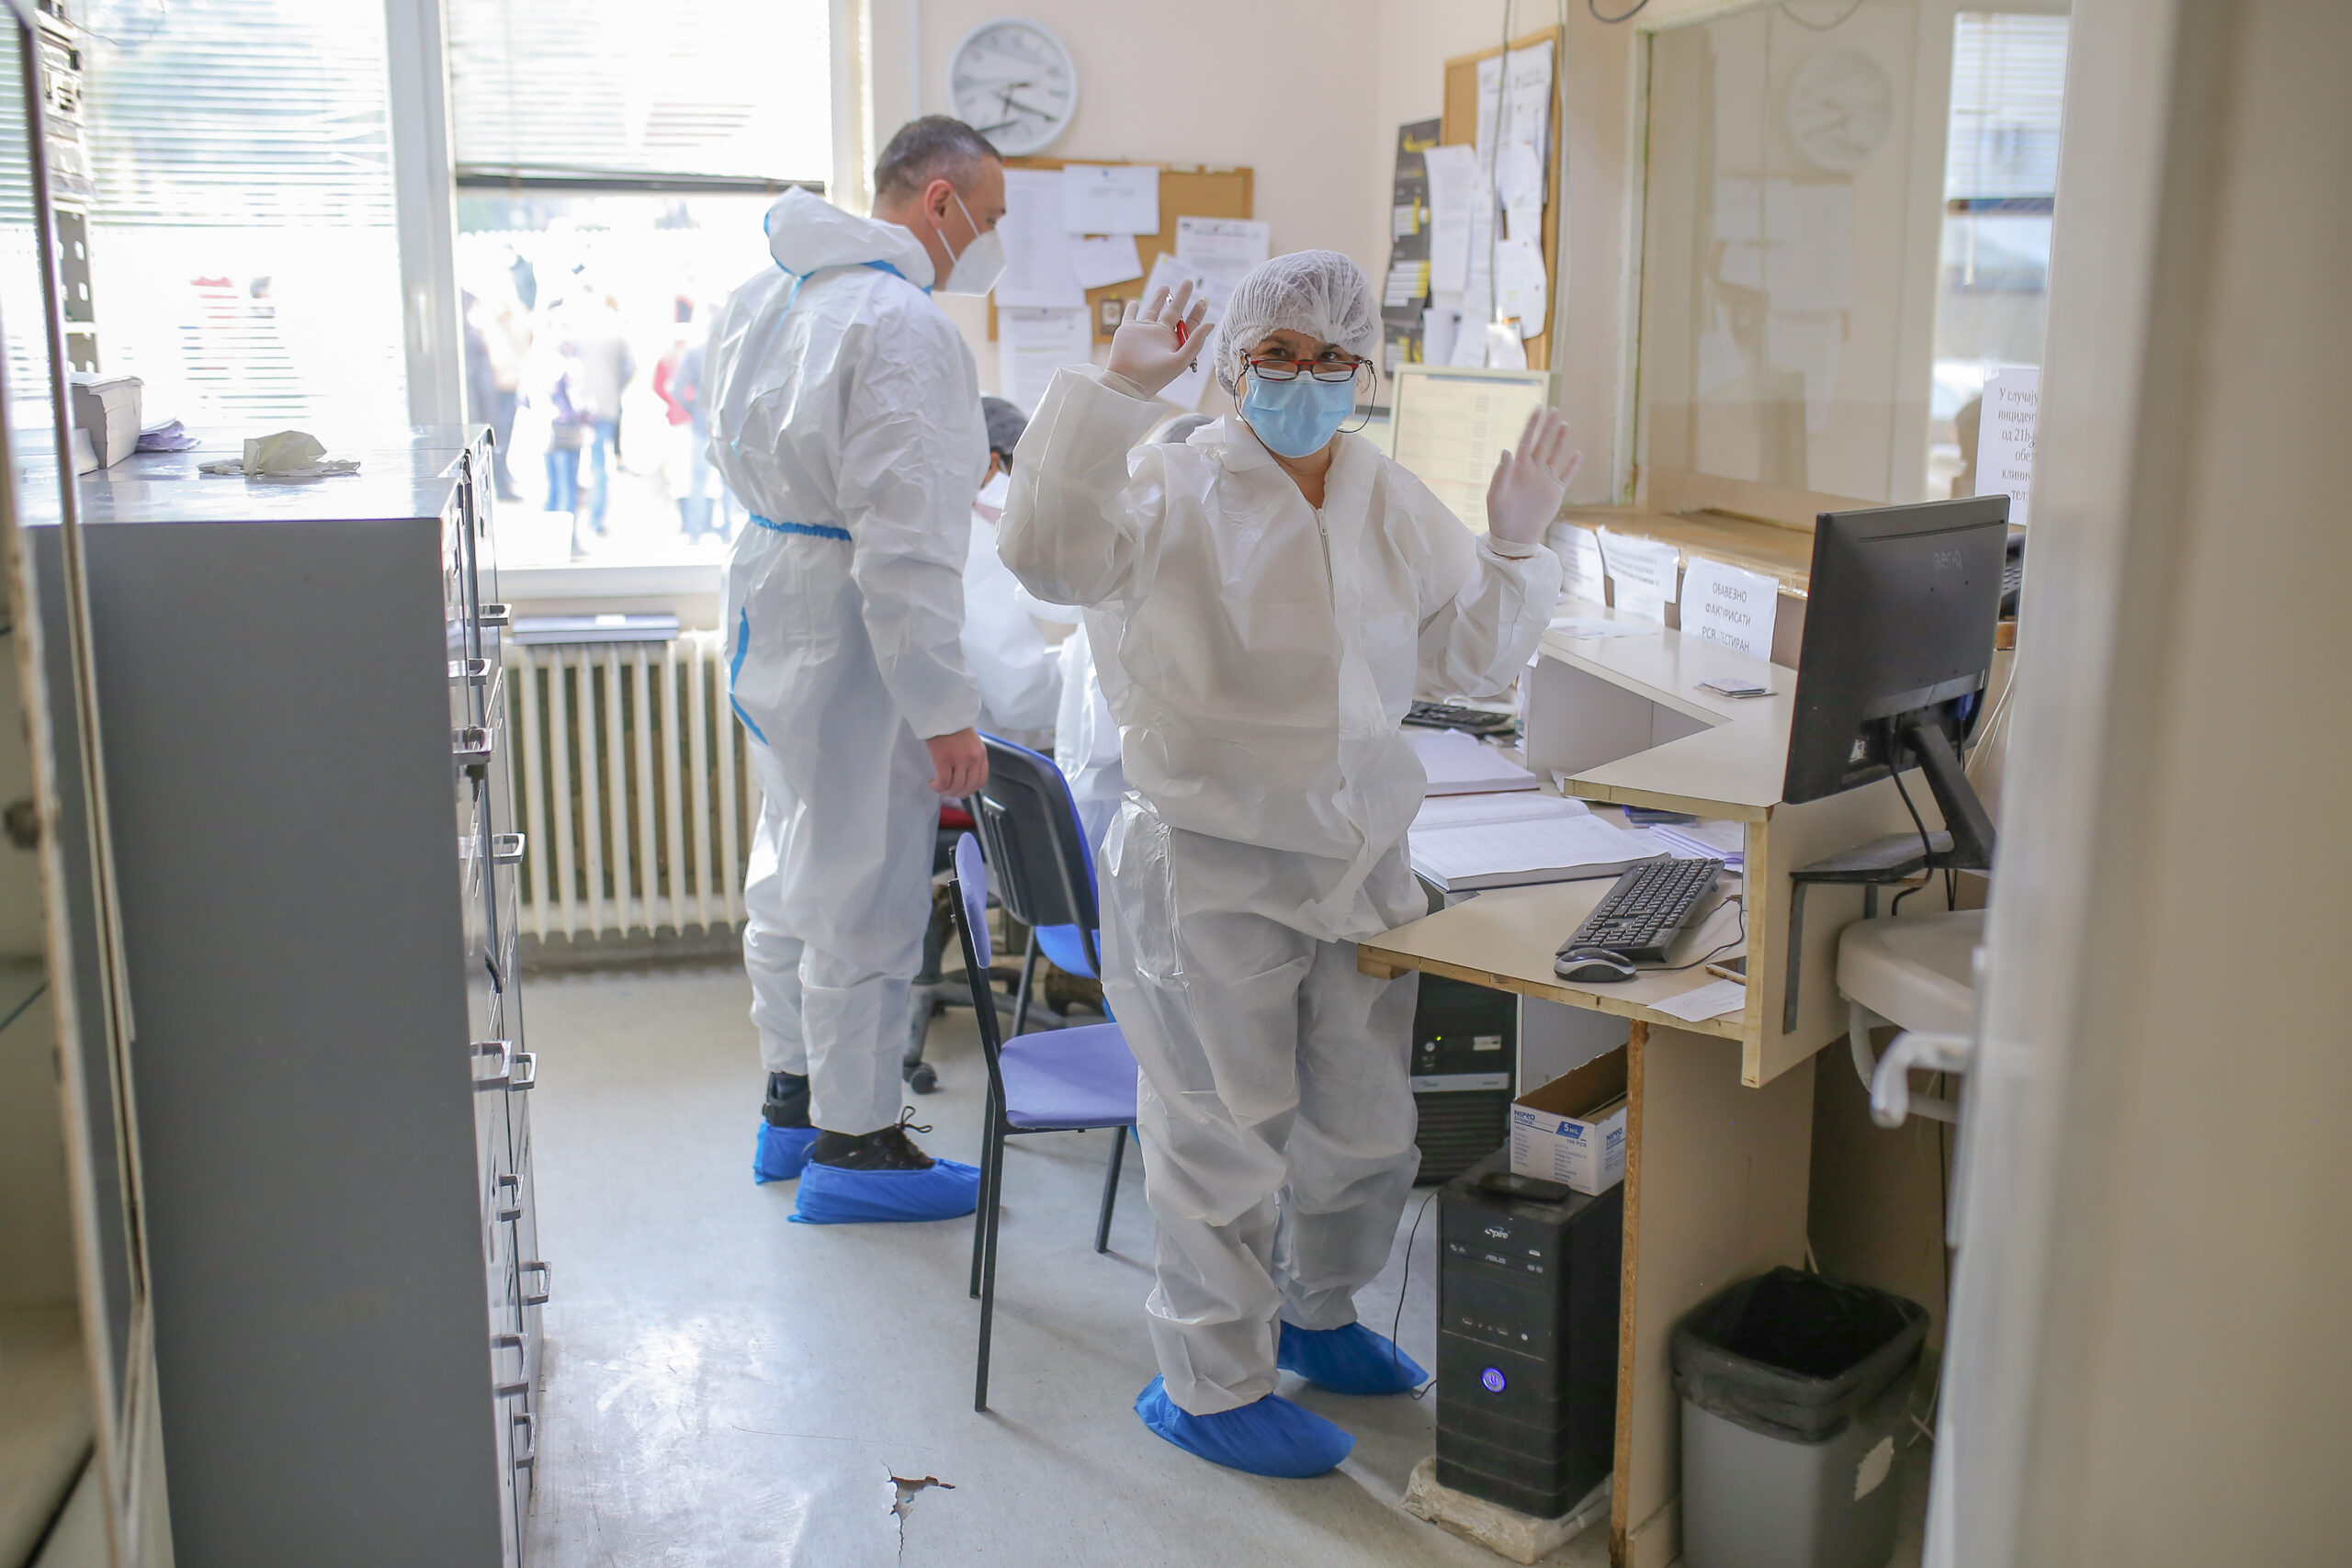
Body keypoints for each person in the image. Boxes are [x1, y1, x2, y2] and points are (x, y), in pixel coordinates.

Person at [999, 253, 1575, 1476]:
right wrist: (1113, 394)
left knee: (1366, 1125)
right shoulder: (1170, 481)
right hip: (1208, 863)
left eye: (1330, 359)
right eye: (1277, 355)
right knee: (1221, 1133)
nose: (1305, 380)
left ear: (1364, 372)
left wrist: (1516, 546)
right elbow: (1046, 554)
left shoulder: (1382, 494)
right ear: (1233, 364)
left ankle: (1320, 1310)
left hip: (1356, 855)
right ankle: (1210, 1383)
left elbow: (1465, 658)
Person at [710, 116, 1009, 1224]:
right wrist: (943, 709)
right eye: (991, 214)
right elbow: (907, 541)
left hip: (770, 592)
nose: (993, 238)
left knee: (791, 862)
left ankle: (791, 1107)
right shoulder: (902, 324)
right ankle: (859, 1145)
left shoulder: (769, 294)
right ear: (940, 201)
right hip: (851, 626)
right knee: (866, 887)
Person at [959, 396, 1062, 744]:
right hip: (992, 751)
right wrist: (1091, 666)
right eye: (1024, 469)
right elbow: (1020, 694)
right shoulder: (980, 545)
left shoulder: (948, 532)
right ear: (991, 465)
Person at [572, 293, 636, 536]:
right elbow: (630, 366)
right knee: (599, 462)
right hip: (606, 403)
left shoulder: (578, 326)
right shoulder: (616, 327)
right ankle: (596, 520)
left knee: (575, 462)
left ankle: (574, 522)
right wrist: (614, 387)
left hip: (579, 405)